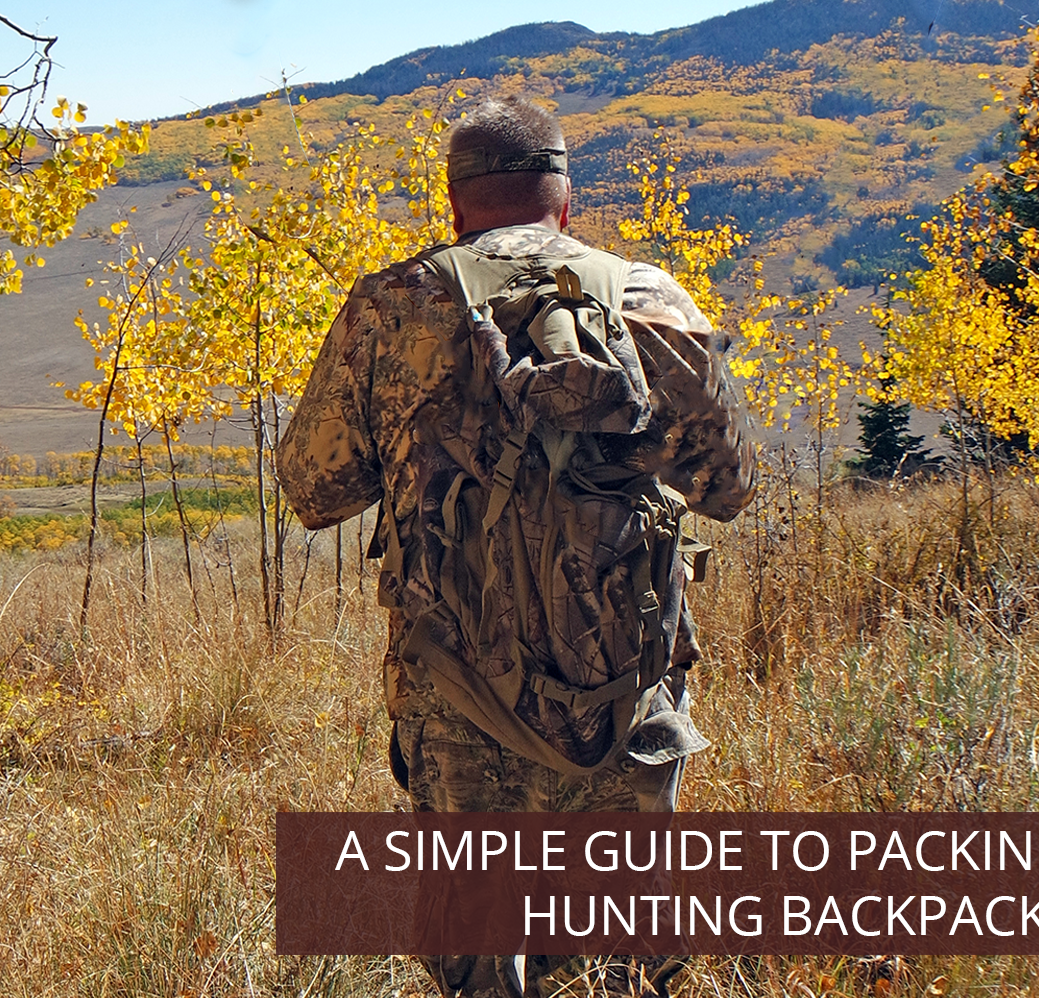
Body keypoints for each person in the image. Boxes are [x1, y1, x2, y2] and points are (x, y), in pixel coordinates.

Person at [276, 96, 757, 998]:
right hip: (622, 693)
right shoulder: (648, 295)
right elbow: (729, 486)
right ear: (566, 202)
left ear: (455, 207)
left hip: (455, 693)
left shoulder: (392, 304)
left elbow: (313, 488)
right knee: (621, 963)